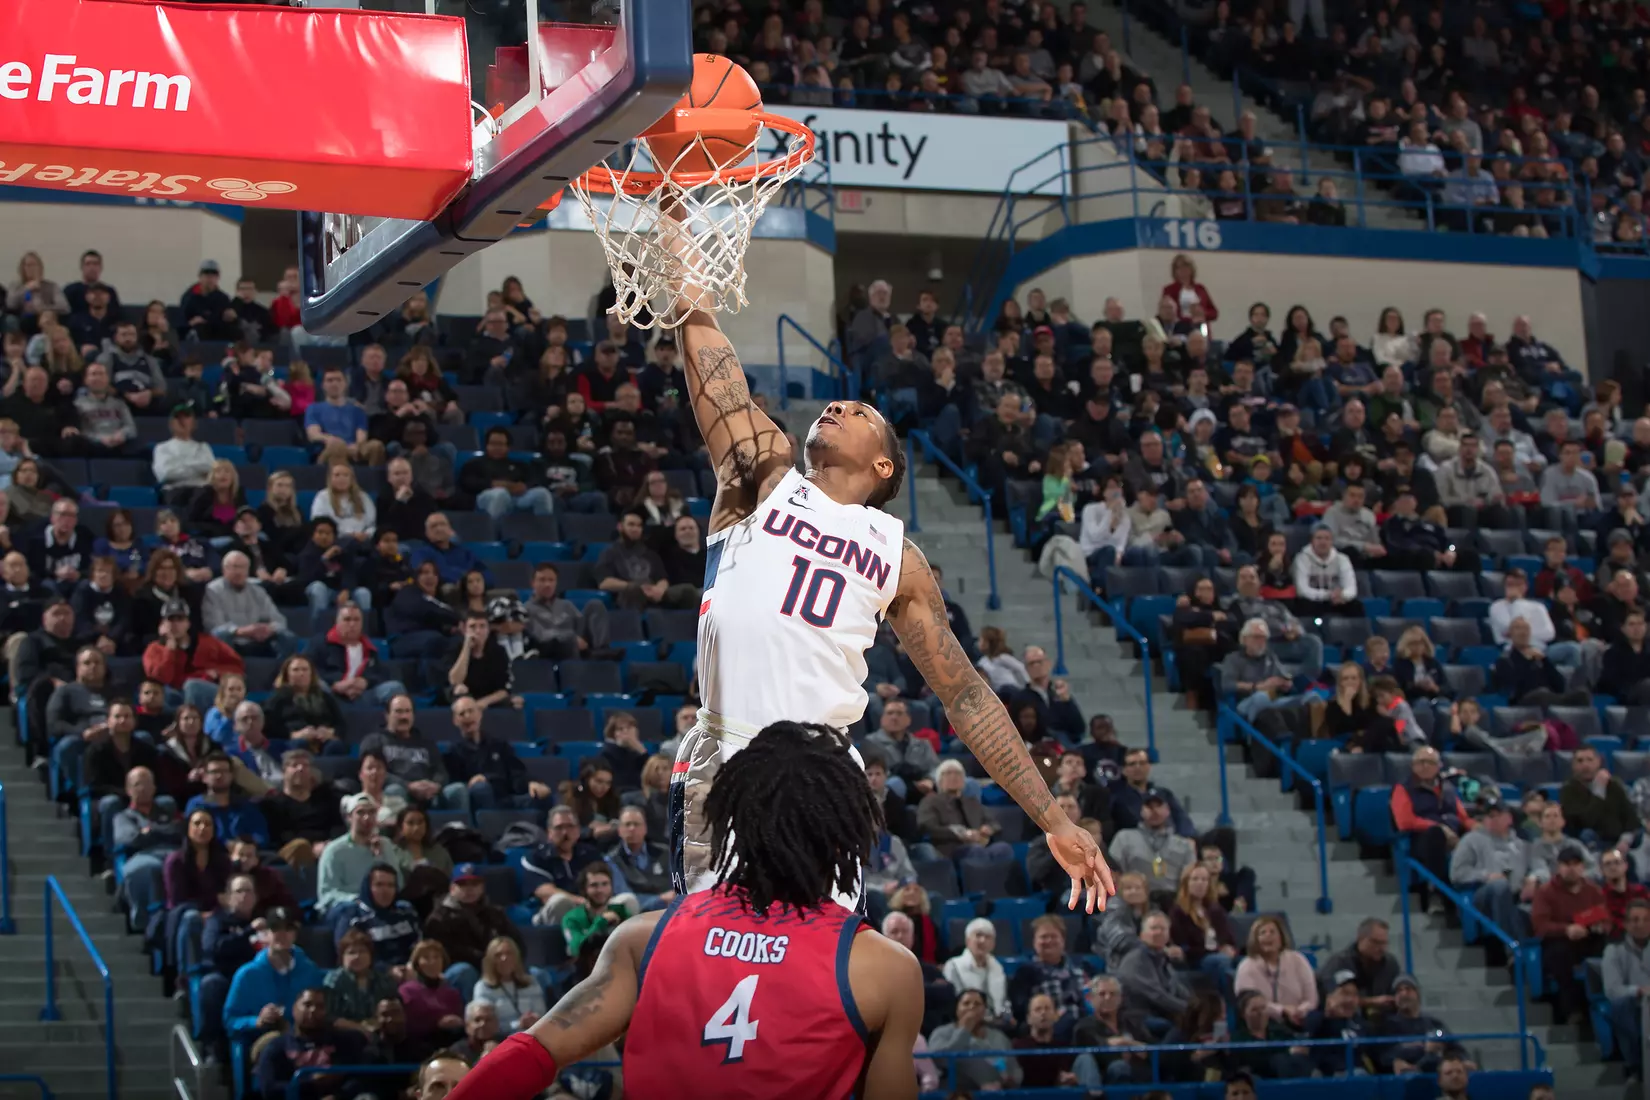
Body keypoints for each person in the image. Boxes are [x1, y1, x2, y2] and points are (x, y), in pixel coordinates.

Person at [621, 295, 1108, 912]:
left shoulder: (898, 555)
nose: (837, 407)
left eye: (858, 412)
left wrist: (1053, 819)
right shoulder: (764, 478)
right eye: (835, 405)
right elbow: (719, 378)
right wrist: (686, 283)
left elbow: (965, 695)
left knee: (819, 953)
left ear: (883, 463)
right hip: (730, 748)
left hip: (824, 768)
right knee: (717, 944)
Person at [436, 721, 926, 1100]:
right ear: (845, 836)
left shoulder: (645, 938)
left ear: (733, 822)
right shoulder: (883, 969)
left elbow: (533, 1053)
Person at [222, 907, 327, 1048]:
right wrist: (257, 1021)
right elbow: (230, 1021)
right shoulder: (247, 975)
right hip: (263, 1044)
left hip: (305, 1044)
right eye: (276, 928)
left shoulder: (310, 971)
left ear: (295, 933)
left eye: (288, 928)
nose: (282, 934)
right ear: (266, 934)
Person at [1532, 844, 1610, 1024]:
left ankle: (1603, 1004)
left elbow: (1606, 917)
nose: (1571, 869)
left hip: (1588, 938)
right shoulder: (1546, 892)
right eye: (1566, 864)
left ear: (1582, 867)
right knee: (1560, 954)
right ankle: (1572, 1011)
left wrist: (1600, 927)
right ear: (1558, 867)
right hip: (1559, 941)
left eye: (1575, 864)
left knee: (1607, 945)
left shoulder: (1593, 890)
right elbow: (1540, 926)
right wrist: (1566, 929)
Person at [253, 986, 373, 1100]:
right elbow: (269, 1089)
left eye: (320, 1006)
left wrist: (339, 1097)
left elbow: (359, 1078)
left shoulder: (345, 1042)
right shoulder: (277, 1046)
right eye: (307, 1004)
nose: (313, 1010)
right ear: (294, 1009)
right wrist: (313, 1084)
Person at [422, 866, 522, 994]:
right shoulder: (439, 918)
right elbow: (446, 953)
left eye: (474, 884)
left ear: (482, 887)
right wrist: (486, 960)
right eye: (462, 884)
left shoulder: (495, 913)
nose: (469, 889)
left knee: (537, 973)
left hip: (497, 966)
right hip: (461, 971)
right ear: (452, 889)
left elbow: (516, 942)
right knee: (464, 971)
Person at [446, 695, 552, 813]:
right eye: (462, 714)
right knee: (480, 788)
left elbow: (516, 772)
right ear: (455, 721)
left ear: (480, 714)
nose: (467, 716)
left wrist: (531, 783)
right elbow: (455, 786)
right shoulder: (454, 752)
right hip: (480, 802)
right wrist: (473, 782)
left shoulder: (499, 744)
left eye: (471, 711)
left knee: (543, 796)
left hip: (507, 797)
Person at [1448, 799, 1533, 939]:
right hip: (1484, 894)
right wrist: (1486, 876)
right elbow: (1456, 873)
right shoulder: (1471, 840)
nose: (1493, 819)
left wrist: (1532, 879)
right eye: (1489, 815)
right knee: (1500, 886)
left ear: (1509, 818)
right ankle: (1508, 944)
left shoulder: (1521, 845)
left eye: (1498, 815)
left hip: (1516, 893)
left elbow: (1534, 868)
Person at [143, 598, 245, 712]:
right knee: (162, 694)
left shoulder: (208, 642)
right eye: (171, 620)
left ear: (188, 623)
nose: (175, 624)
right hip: (173, 694)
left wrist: (217, 672)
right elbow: (160, 680)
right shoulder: (154, 649)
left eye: (180, 619)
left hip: (207, 691)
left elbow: (237, 666)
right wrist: (170, 651)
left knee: (192, 686)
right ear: (163, 624)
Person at [316, 794, 411, 915]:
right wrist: (359, 900)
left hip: (382, 905)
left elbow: (398, 882)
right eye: (360, 812)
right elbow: (327, 893)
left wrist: (380, 856)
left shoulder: (385, 845)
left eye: (372, 812)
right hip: (349, 908)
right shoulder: (334, 850)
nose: (367, 817)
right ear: (349, 817)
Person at [111, 765, 182, 927]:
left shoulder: (167, 811)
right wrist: (162, 831)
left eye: (147, 783)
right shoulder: (123, 817)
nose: (142, 788)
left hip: (172, 853)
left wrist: (151, 831)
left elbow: (179, 830)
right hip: (142, 855)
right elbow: (132, 838)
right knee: (148, 867)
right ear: (128, 790)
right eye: (137, 784)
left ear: (154, 787)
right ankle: (146, 919)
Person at [202, 551, 298, 660]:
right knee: (220, 635)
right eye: (234, 567)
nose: (238, 572)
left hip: (258, 640)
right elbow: (214, 626)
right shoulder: (213, 590)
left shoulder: (258, 591)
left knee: (288, 637)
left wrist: (269, 629)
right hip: (233, 641)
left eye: (243, 567)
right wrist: (241, 631)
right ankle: (229, 668)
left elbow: (279, 620)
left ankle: (281, 669)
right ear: (224, 569)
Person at [328, 863, 421, 974]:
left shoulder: (406, 911)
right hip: (371, 976)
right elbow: (349, 956)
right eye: (379, 885)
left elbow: (420, 945)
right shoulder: (353, 916)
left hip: (411, 972)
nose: (385, 891)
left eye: (391, 885)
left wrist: (412, 966)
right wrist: (387, 970)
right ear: (368, 887)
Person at [916, 758, 1014, 862]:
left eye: (958, 773)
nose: (953, 777)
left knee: (1003, 848)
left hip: (979, 845)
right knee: (976, 851)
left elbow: (994, 823)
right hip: (950, 849)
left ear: (963, 781)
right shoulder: (930, 801)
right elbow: (927, 827)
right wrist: (960, 834)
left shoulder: (972, 802)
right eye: (948, 773)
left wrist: (989, 828)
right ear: (939, 781)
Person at [309, 603, 408, 706]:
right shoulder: (321, 643)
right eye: (347, 619)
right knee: (318, 685)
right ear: (337, 622)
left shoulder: (369, 648)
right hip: (332, 694)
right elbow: (309, 669)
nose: (352, 624)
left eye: (356, 620)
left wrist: (365, 682)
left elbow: (381, 674)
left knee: (395, 687)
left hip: (364, 695)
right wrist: (335, 683)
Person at [1233, 914, 1317, 1027]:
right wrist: (1282, 1010)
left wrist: (1300, 1011)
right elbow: (1249, 1004)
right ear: (1255, 940)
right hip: (1263, 1022)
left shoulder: (1298, 960)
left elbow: (1311, 998)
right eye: (1262, 933)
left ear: (1281, 938)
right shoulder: (1247, 966)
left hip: (1300, 1019)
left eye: (1272, 932)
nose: (1268, 935)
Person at [1602, 899, 1650, 1082]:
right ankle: (1637, 1065)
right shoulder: (1613, 951)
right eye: (1635, 920)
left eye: (1646, 919)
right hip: (1633, 1006)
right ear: (1626, 924)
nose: (1641, 924)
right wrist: (1638, 990)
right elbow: (1612, 990)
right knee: (1620, 1005)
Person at [463, 427, 554, 522]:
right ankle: (494, 529)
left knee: (542, 494)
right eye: (493, 444)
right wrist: (491, 484)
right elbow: (467, 482)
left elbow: (533, 480)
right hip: (487, 497)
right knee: (501, 493)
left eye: (500, 444)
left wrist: (524, 486)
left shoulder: (519, 465)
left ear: (508, 447)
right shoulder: (475, 463)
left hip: (516, 497)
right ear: (486, 445)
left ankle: (544, 529)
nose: (497, 447)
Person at [1561, 744, 1637, 850]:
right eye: (1580, 761)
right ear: (1573, 765)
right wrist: (1599, 790)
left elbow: (1631, 819)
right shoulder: (1568, 790)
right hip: (1590, 844)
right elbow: (1587, 822)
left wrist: (1625, 840)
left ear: (1598, 762)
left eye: (1590, 760)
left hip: (1620, 842)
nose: (1585, 765)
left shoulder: (1614, 785)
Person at [1317, 917, 1399, 1010]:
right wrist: (1370, 1002)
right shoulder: (1339, 963)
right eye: (1375, 942)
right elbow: (1331, 999)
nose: (1381, 948)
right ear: (1360, 938)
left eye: (1384, 943)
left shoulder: (1390, 964)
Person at [445, 612, 520, 710]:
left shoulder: (498, 651)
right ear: (464, 630)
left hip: (488, 698)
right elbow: (455, 681)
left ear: (488, 630)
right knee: (458, 689)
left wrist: (483, 702)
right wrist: (466, 647)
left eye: (482, 626)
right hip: (463, 698)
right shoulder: (455, 648)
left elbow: (504, 690)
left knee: (517, 702)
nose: (478, 631)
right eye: (472, 627)